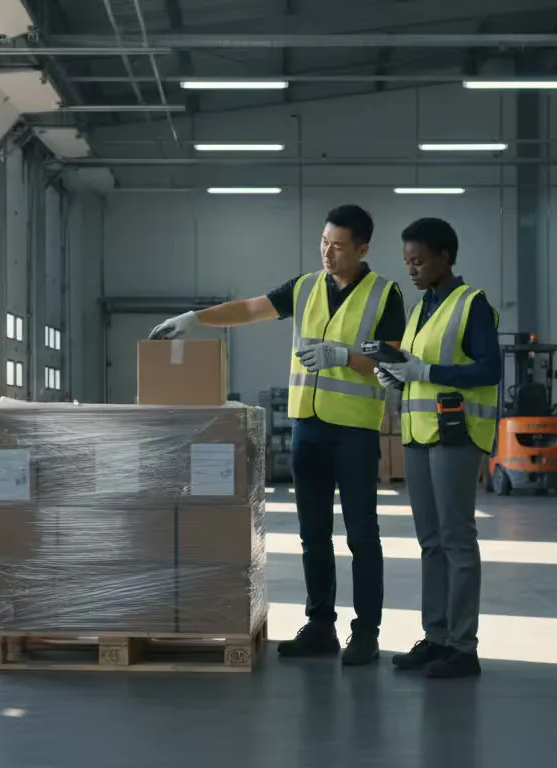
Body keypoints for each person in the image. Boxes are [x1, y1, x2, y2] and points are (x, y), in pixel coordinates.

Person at [148, 204, 404, 666]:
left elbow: (392, 363)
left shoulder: (385, 295)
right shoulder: (305, 287)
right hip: (309, 427)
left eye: (339, 246)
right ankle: (321, 625)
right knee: (313, 534)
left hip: (356, 433)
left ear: (363, 249)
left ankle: (365, 632)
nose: (328, 252)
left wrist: (343, 357)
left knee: (362, 535)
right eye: (324, 242)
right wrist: (196, 318)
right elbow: (250, 309)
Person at [375, 217, 501, 679]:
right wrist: (393, 374)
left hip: (455, 434)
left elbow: (489, 371)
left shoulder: (473, 305)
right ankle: (437, 637)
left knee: (456, 540)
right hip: (418, 433)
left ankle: (463, 648)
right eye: (407, 262)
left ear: (445, 257)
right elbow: (415, 365)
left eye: (419, 261)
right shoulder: (421, 306)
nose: (411, 269)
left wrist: (424, 373)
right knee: (430, 543)